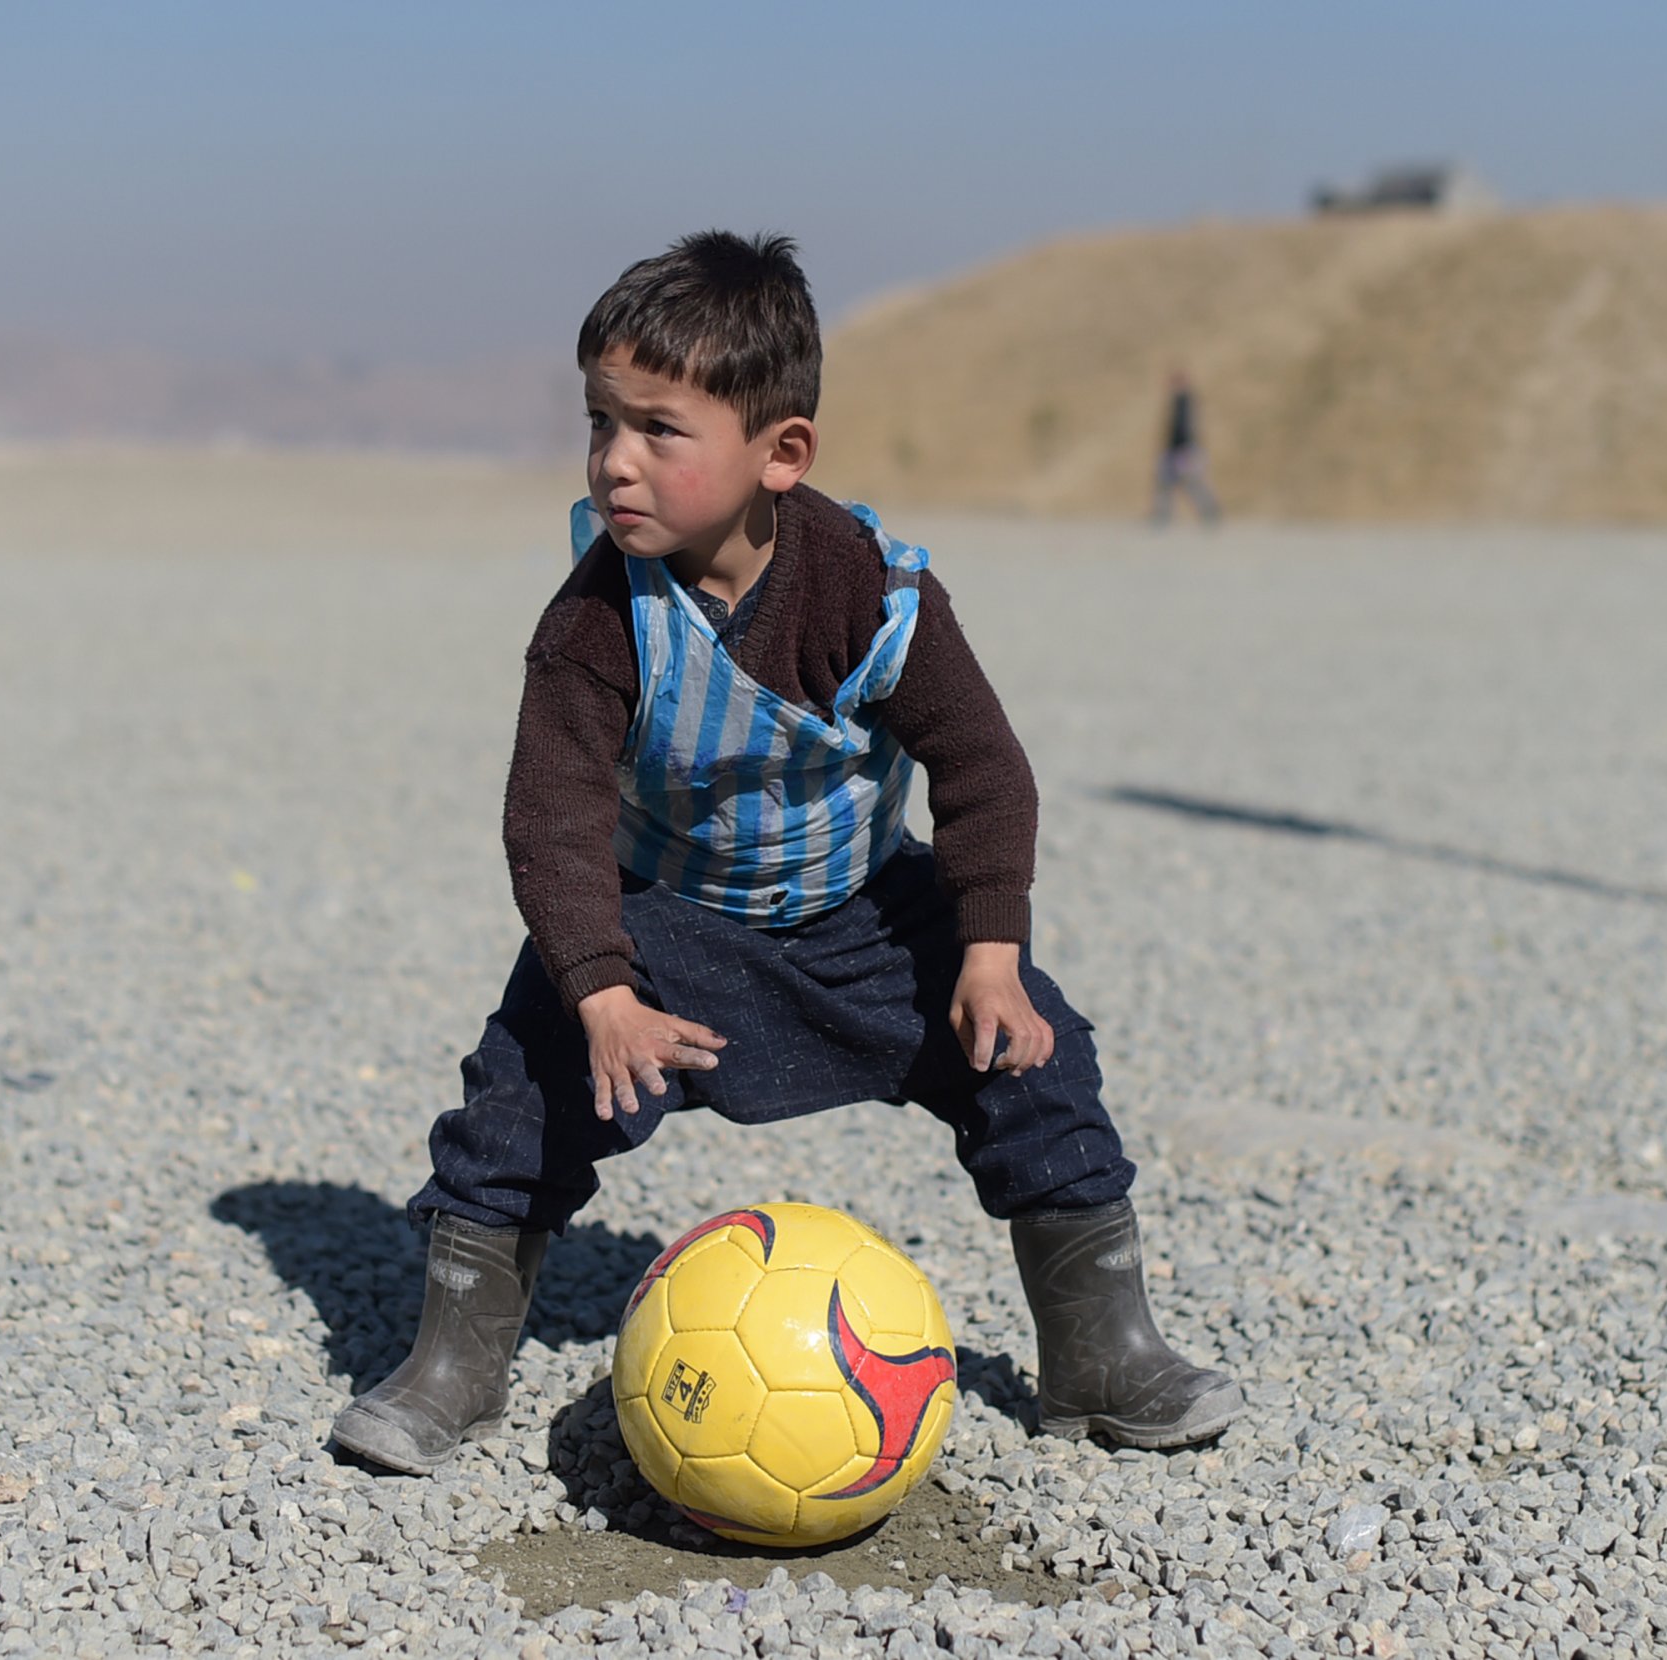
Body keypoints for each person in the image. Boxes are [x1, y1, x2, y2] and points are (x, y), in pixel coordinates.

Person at [329, 232, 1241, 1474]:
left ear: (781, 453)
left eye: (659, 429)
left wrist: (988, 950)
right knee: (526, 1080)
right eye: (600, 422)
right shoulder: (597, 619)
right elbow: (550, 816)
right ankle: (454, 1366)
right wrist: (599, 991)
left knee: (1037, 1058)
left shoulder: (870, 593)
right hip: (673, 919)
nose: (614, 462)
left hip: (864, 908)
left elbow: (983, 770)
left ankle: (1101, 1351)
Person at [1152, 369, 1222, 526]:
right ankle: (1163, 515)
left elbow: (1183, 429)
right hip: (1181, 450)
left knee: (1189, 483)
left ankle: (1210, 511)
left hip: (1182, 451)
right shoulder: (1183, 401)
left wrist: (1182, 449)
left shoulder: (1184, 401)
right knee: (1170, 483)